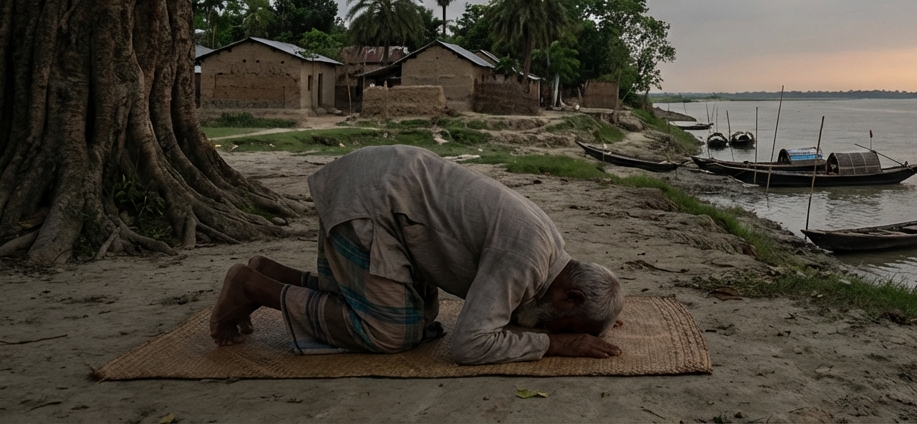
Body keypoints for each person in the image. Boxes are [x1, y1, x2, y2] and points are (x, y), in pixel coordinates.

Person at [208, 145, 623, 364]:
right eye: (562, 324)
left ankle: (269, 273)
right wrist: (554, 347)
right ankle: (251, 287)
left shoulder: (549, 244)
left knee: (416, 317)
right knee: (391, 333)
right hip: (374, 201)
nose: (553, 331)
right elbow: (469, 345)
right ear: (571, 297)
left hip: (382, 189)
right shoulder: (528, 260)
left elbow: (502, 317)